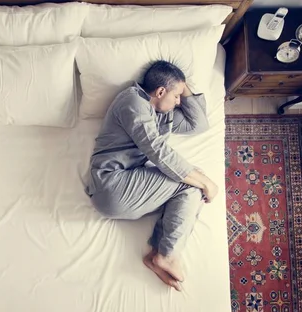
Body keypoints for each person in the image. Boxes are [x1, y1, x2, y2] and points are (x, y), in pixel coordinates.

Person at [85, 60, 219, 291]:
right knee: (193, 184)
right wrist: (205, 182)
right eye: (176, 96)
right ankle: (168, 255)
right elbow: (156, 150)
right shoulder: (132, 102)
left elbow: (199, 124)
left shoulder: (162, 115)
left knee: (190, 189)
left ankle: (158, 254)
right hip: (112, 184)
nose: (179, 101)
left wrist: (181, 85)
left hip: (129, 186)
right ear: (160, 91)